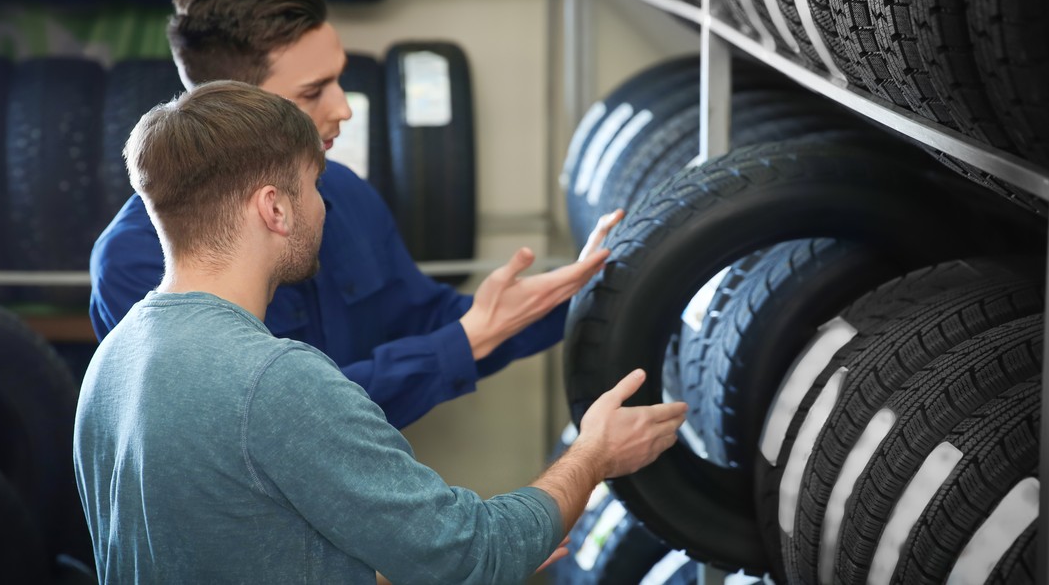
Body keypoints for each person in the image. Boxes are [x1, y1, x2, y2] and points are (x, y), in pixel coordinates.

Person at [73, 81, 686, 583]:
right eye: (314, 187)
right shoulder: (276, 379)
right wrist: (593, 453)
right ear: (275, 208)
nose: (322, 208)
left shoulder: (112, 362)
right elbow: (469, 554)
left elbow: (227, 549)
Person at [88, 0, 623, 429]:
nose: (344, 109)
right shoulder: (140, 261)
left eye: (339, 80)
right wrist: (466, 340)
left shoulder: (339, 190)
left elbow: (425, 318)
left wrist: (578, 293)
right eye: (313, 92)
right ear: (235, 105)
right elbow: (276, 424)